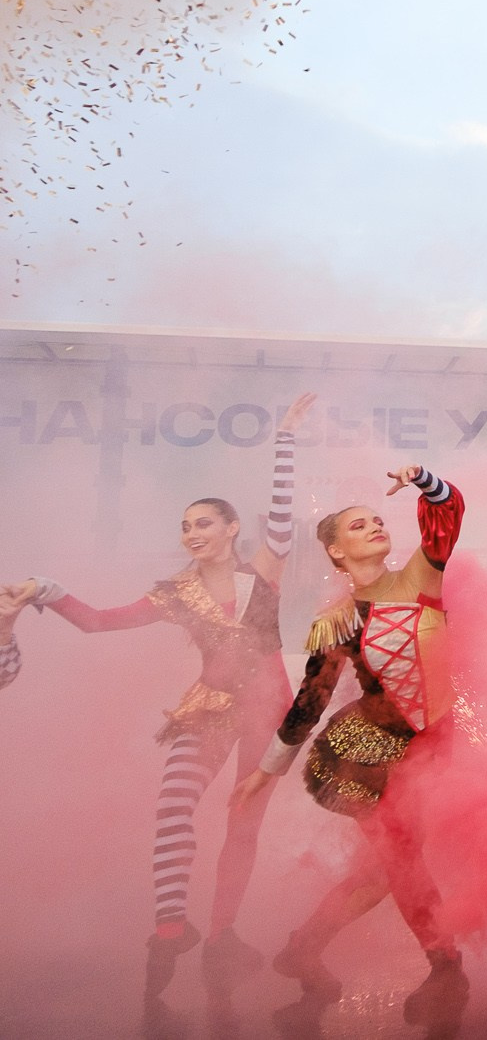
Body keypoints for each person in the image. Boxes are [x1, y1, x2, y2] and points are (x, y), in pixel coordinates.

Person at [8, 392, 312, 996]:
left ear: (230, 529)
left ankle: (223, 934)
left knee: (242, 825)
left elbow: (281, 518)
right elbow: (98, 621)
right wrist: (45, 588)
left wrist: (284, 440)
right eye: (184, 526)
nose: (190, 533)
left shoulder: (264, 571)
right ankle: (172, 928)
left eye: (203, 522)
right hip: (205, 708)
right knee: (173, 808)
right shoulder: (175, 594)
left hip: (265, 711)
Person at [231, 460, 471, 1022]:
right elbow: (309, 702)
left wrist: (423, 479)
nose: (374, 528)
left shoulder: (421, 578)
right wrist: (266, 771)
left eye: (377, 521)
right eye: (358, 526)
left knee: (379, 874)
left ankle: (302, 949)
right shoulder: (336, 622)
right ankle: (447, 970)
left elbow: (446, 515)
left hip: (433, 747)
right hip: (367, 758)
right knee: (404, 859)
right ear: (336, 552)